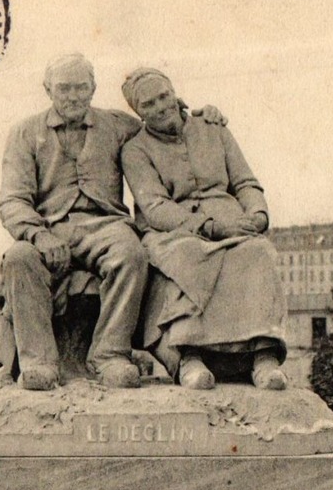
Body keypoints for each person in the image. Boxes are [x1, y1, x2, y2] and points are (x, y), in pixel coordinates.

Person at [0, 54, 226, 390]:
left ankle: (109, 354)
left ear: (93, 88)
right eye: (64, 88)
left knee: (131, 254)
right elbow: (12, 199)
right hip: (48, 230)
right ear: (48, 90)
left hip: (106, 226)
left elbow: (159, 121)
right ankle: (40, 363)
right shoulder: (24, 134)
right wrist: (37, 235)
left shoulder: (118, 125)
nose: (73, 96)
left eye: (81, 87)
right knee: (18, 258)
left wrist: (198, 115)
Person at [121, 67, 288, 390]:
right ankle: (190, 358)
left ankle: (263, 357)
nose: (160, 107)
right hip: (173, 230)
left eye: (163, 96)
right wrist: (210, 227)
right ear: (138, 112)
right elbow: (155, 207)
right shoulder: (135, 150)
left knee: (258, 251)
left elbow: (245, 181)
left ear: (174, 92)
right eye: (148, 104)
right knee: (188, 255)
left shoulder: (213, 128)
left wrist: (257, 215)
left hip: (234, 222)